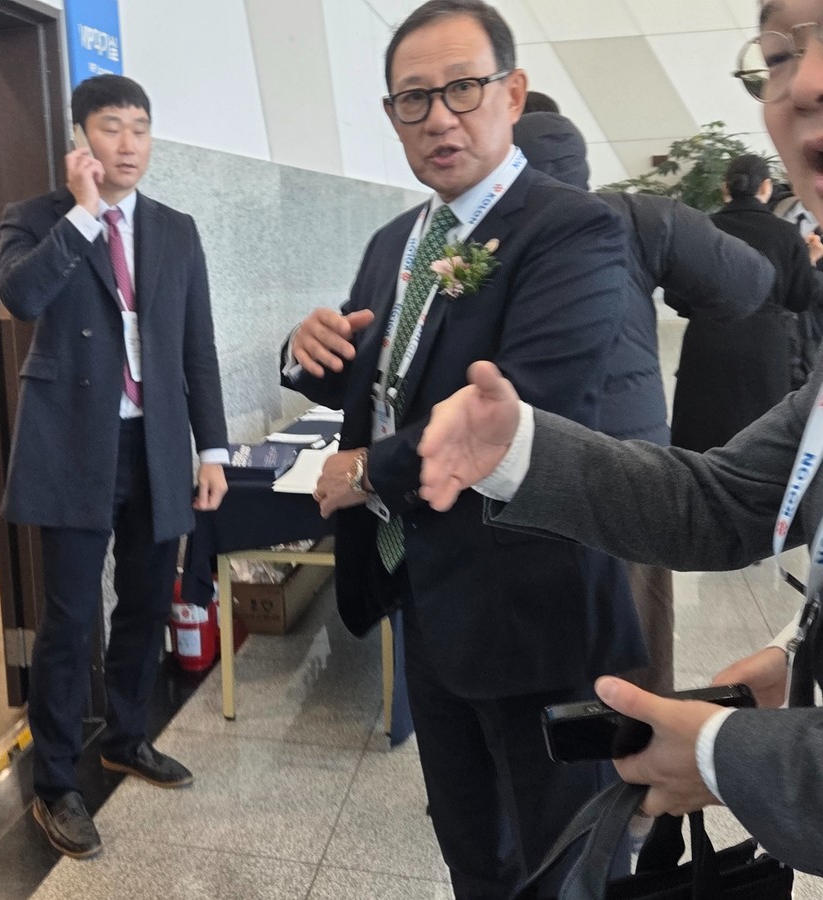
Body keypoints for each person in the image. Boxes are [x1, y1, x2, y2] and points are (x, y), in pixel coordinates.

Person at [414, 2, 823, 875]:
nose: (806, 83)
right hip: (571, 513)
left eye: (461, 91)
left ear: (510, 103)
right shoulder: (428, 244)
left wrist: (723, 755)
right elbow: (720, 500)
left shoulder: (593, 222)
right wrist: (518, 448)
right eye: (779, 54)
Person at [281, 2, 646, 895]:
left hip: (533, 609)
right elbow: (377, 383)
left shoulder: (573, 228)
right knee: (472, 851)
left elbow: (521, 411)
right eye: (414, 99)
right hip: (426, 597)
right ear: (392, 115)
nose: (439, 117)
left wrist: (366, 472)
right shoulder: (394, 242)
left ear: (512, 94)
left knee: (565, 860)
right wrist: (304, 354)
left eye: (464, 89)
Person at [0, 74, 229, 859]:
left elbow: (196, 346)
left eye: (140, 128)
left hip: (155, 448)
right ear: (80, 138)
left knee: (144, 603)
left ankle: (127, 738)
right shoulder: (36, 217)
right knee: (68, 620)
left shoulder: (176, 229)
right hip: (72, 448)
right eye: (110, 127)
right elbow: (21, 298)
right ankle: (56, 780)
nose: (128, 145)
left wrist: (212, 448)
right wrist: (85, 213)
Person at [514, 108, 775, 694]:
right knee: (636, 627)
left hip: (519, 467)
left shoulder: (481, 233)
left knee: (532, 637)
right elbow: (748, 283)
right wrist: (675, 290)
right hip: (630, 466)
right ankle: (638, 736)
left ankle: (546, 739)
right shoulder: (636, 217)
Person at [668, 153, 823, 452]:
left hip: (706, 342)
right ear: (766, 187)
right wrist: (809, 261)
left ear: (725, 188)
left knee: (699, 434)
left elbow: (677, 296)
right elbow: (800, 298)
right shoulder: (785, 233)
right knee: (759, 438)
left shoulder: (702, 227)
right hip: (765, 347)